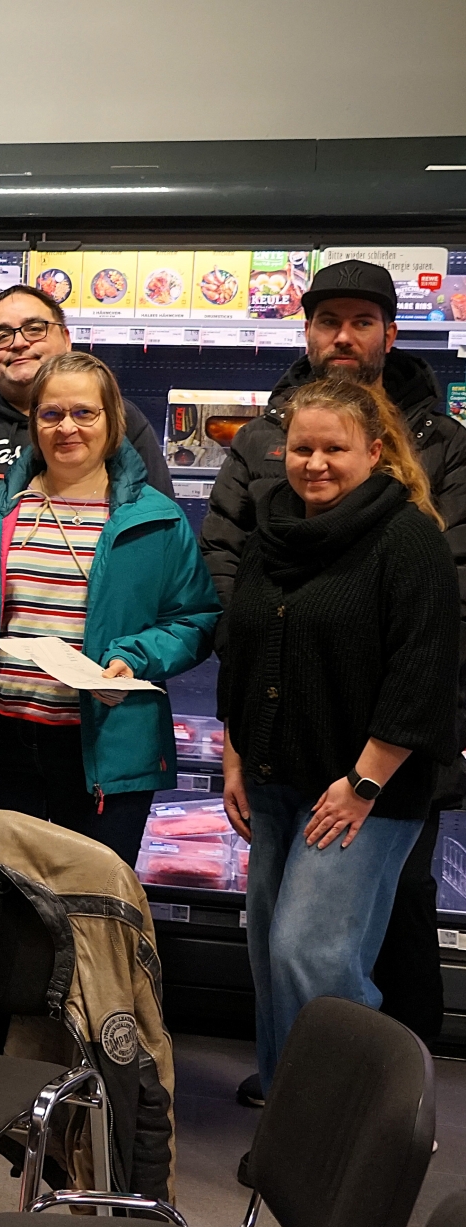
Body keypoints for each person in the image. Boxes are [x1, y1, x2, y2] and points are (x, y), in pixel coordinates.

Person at [201, 259, 466, 1094]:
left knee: (314, 953)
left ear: (376, 451)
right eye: (303, 449)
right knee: (271, 947)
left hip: (363, 783)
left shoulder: (410, 533)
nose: (315, 463)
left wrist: (364, 781)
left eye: (334, 450)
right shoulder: (275, 527)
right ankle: (291, 1108)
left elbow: (425, 663)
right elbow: (247, 641)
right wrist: (236, 751)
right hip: (279, 772)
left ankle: (357, 1111)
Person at [0, 352, 220, 863]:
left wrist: (135, 657)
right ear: (33, 423)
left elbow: (196, 619)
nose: (66, 428)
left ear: (112, 421)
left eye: (84, 413)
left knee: (90, 898)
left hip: (106, 748)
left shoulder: (156, 520)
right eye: (51, 414)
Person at [0, 283, 172, 545]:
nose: (18, 343)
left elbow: (161, 526)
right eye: (2, 335)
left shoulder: (118, 419)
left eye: (35, 329)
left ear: (66, 338)